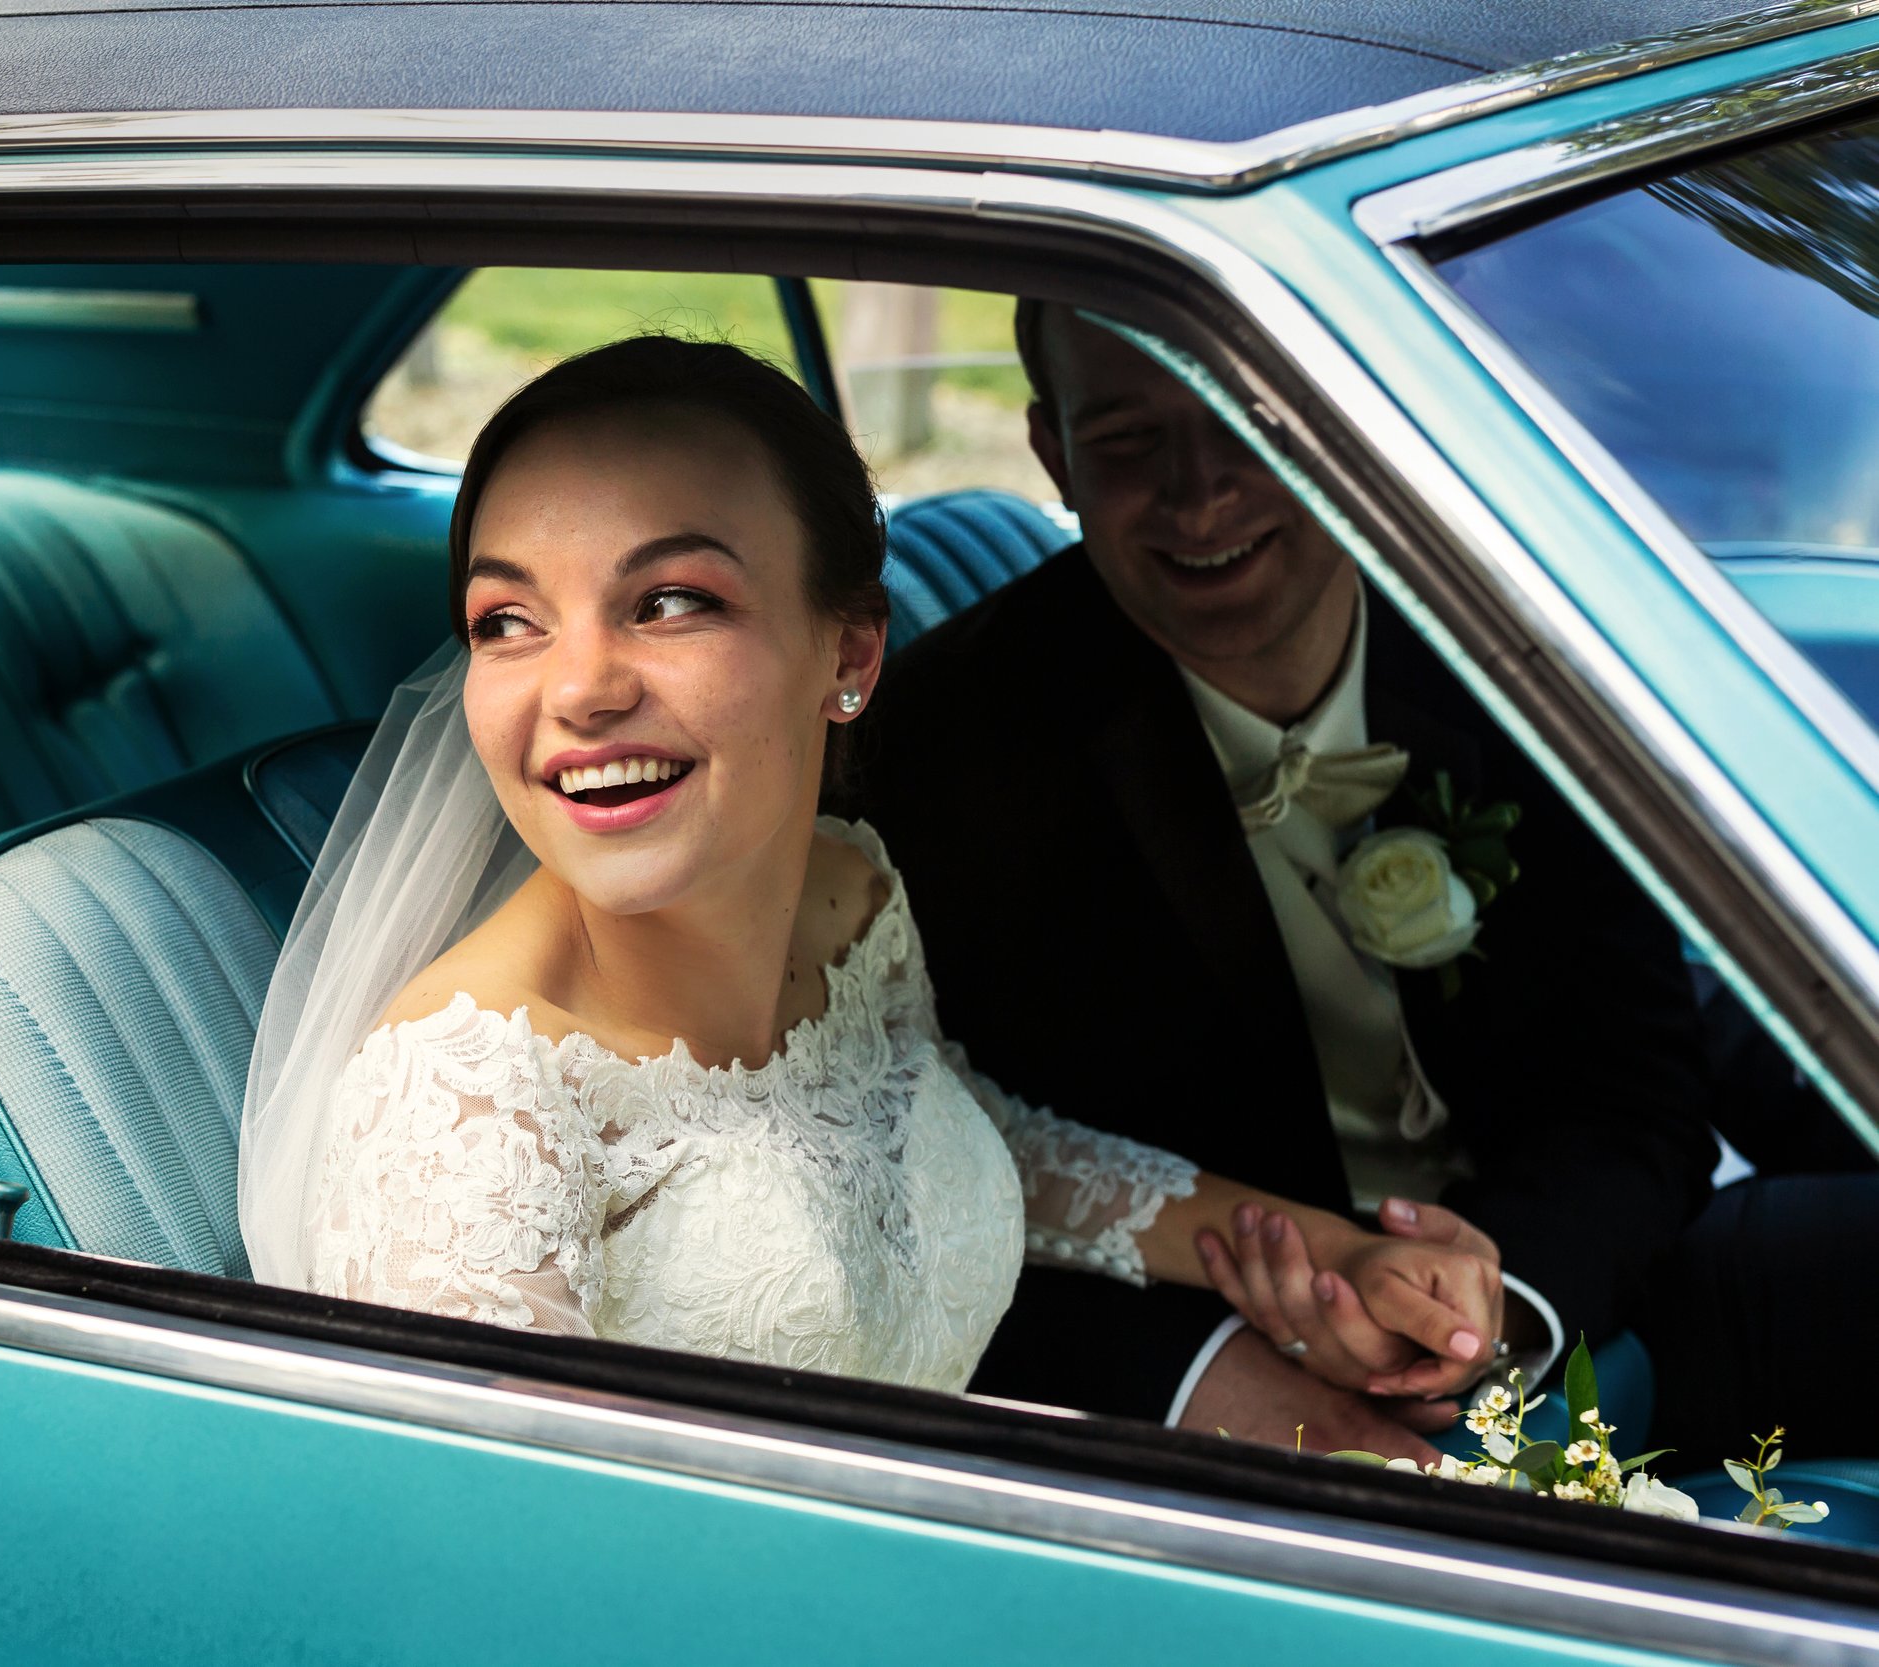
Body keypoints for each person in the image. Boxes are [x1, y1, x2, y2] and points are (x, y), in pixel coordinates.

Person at [236, 336, 1504, 1403]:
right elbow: (510, 1587)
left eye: (670, 601)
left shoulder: (851, 890)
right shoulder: (472, 1106)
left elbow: (950, 1133)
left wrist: (1321, 1250)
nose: (577, 689)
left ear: (848, 648)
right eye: (506, 621)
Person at [858, 300, 1879, 1460]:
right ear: (1055, 454)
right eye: (1132, 440)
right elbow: (960, 1178)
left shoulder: (1521, 641)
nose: (1201, 495)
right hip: (1244, 1373)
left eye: (1245, 421)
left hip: (1580, 1284)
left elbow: (1633, 1088)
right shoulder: (947, 747)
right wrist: (1222, 1376)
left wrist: (1500, 1306)